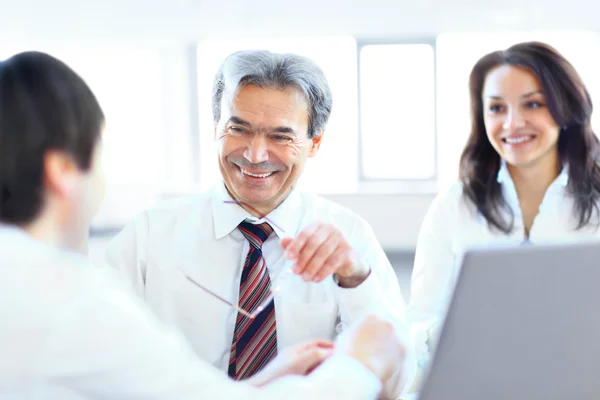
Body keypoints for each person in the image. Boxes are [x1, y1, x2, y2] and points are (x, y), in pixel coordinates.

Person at [0, 50, 409, 399]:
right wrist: (359, 365)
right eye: (238, 128)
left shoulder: (349, 237)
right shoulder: (142, 241)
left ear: (314, 143)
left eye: (281, 136)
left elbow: (404, 373)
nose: (254, 154)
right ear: (216, 128)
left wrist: (356, 281)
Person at [407, 41, 600, 368]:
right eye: (497, 108)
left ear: (565, 106)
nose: (512, 124)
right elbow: (420, 323)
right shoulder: (454, 205)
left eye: (533, 104)